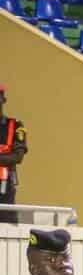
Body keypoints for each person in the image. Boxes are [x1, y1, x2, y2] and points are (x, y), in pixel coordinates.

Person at [0, 84, 26, 220]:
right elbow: (11, 157)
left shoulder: (15, 125)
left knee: (6, 226)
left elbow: (18, 157)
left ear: (3, 100)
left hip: (5, 187)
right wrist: (5, 158)